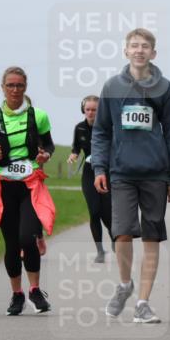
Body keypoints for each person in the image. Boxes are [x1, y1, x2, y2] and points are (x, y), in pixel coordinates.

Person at [92, 28, 170, 324]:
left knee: (152, 236)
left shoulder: (165, 89)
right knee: (122, 232)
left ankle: (143, 302)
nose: (139, 50)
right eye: (134, 46)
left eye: (145, 46)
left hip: (155, 173)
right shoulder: (111, 87)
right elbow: (102, 131)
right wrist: (99, 168)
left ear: (153, 53)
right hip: (121, 173)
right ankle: (124, 284)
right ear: (125, 51)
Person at [0, 66, 56, 316]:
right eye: (10, 85)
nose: (15, 90)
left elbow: (49, 144)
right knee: (11, 244)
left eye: (19, 86)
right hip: (4, 187)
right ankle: (17, 295)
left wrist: (45, 154)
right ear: (2, 88)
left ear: (26, 88)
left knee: (27, 238)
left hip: (30, 185)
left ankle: (35, 290)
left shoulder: (39, 115)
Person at [67, 95, 113, 263]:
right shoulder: (79, 128)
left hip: (107, 172)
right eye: (88, 109)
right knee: (94, 211)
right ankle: (100, 251)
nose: (91, 113)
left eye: (94, 110)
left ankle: (115, 238)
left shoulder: (109, 126)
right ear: (83, 110)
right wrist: (73, 155)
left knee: (107, 213)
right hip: (89, 171)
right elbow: (76, 148)